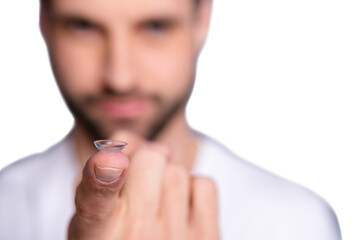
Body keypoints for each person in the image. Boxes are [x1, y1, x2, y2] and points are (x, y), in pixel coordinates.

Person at [0, 0, 342, 239]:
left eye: (156, 26)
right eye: (83, 26)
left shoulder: (299, 223)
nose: (120, 77)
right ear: (43, 22)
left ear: (202, 20)